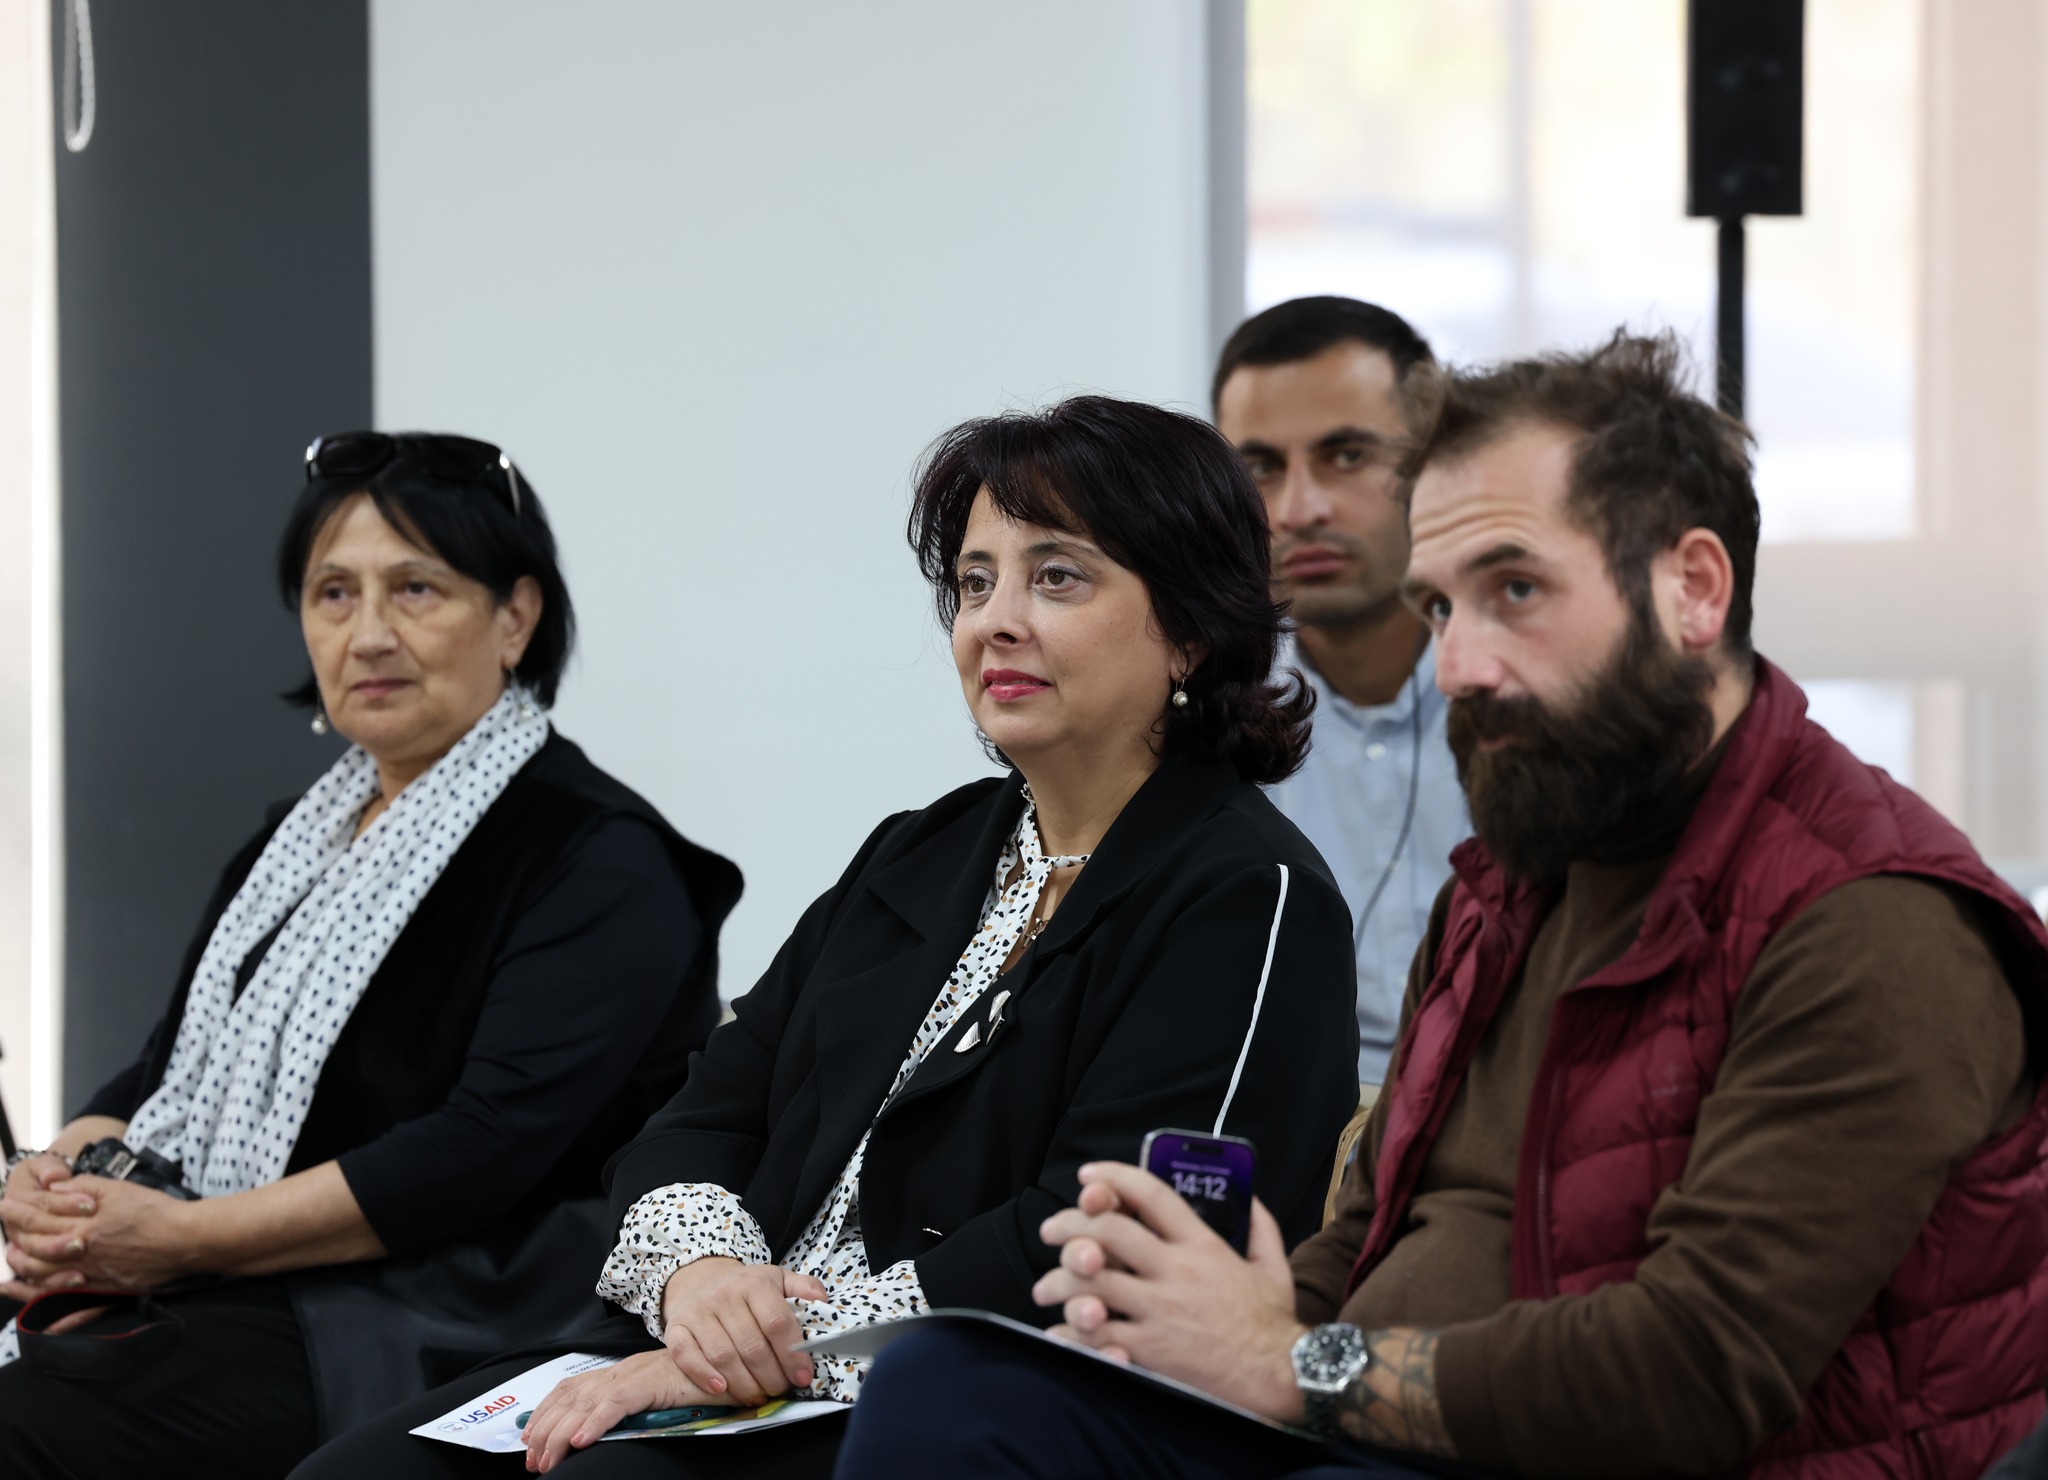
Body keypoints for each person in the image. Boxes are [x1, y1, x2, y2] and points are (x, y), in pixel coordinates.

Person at [832, 333, 2048, 1480]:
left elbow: (1693, 1368)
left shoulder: (1875, 922)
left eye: (1513, 588)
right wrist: (1221, 1333)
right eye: (1438, 608)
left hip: (1631, 1451)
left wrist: (1291, 1364)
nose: (1457, 664)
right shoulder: (1513, 876)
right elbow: (1363, 1232)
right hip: (1377, 1416)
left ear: (1691, 588)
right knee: (949, 1386)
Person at [290, 395, 1362, 1480]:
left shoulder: (1247, 892)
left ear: (1189, 628)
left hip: (960, 1404)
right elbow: (702, 1112)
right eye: (974, 582)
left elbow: (1113, 1241)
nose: (994, 622)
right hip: (714, 1364)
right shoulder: (919, 851)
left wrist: (781, 1348)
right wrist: (703, 1281)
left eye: (1056, 577)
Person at [0, 433, 742, 1478]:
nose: (368, 634)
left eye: (416, 589)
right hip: (240, 1282)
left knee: (30, 1416)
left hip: (442, 1313)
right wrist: (61, 1184)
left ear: (515, 617)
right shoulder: (294, 839)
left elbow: (475, 1153)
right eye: (334, 594)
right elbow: (166, 1067)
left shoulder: (602, 859)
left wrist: (179, 1242)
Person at [1214, 297, 1470, 1084]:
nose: (1300, 510)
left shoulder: (1537, 692)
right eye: (1261, 468)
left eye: (1348, 455)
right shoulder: (1196, 713)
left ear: (1435, 462)